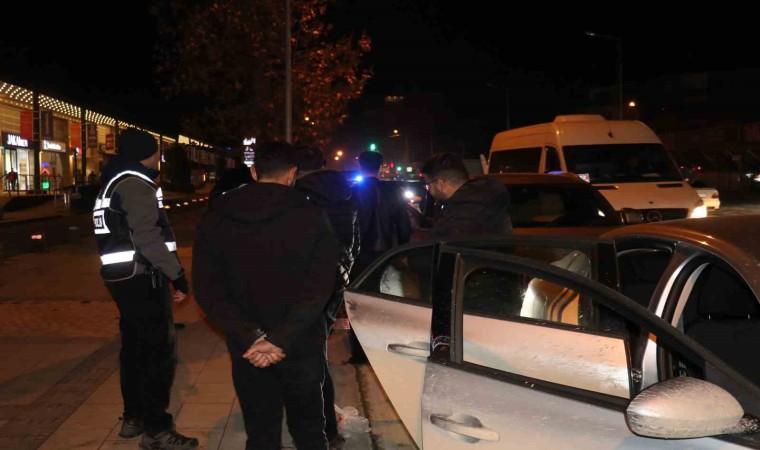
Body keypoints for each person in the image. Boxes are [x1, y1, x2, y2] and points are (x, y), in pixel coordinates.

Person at [192, 141, 338, 450]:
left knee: (260, 432)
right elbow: (321, 285)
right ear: (292, 174)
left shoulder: (216, 216)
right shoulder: (312, 216)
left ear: (254, 171)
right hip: (300, 340)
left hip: (247, 347)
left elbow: (206, 288)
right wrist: (282, 337)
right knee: (309, 430)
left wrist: (250, 336)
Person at [93, 129, 198, 450]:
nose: (159, 157)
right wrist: (177, 275)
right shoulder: (135, 184)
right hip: (143, 277)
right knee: (158, 354)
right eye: (156, 152)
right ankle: (157, 429)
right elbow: (149, 238)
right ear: (147, 154)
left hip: (121, 278)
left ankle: (134, 417)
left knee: (134, 349)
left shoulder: (111, 183)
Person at [294, 145, 359, 446]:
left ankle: (322, 430)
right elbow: (354, 242)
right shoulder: (347, 193)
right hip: (336, 279)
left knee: (309, 360)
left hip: (307, 283)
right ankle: (327, 429)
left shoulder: (298, 197)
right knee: (317, 353)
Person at [348, 150, 412, 363]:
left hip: (359, 256)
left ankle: (360, 353)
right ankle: (383, 348)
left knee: (359, 304)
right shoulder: (393, 191)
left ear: (360, 165)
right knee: (383, 301)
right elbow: (404, 225)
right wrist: (403, 251)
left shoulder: (353, 192)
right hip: (385, 255)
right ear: (380, 167)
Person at [420, 152, 512, 238]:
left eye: (428, 185)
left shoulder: (458, 219)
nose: (428, 190)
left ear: (441, 184)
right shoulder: (487, 203)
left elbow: (436, 244)